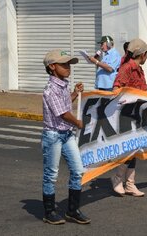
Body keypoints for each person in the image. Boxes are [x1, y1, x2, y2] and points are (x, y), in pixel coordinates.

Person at [42, 49, 90, 225]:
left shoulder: (63, 85)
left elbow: (65, 104)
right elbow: (62, 113)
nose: (68, 67)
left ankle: (72, 210)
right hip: (53, 135)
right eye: (64, 64)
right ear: (52, 67)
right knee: (51, 174)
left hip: (66, 134)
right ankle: (49, 212)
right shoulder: (50, 89)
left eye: (69, 64)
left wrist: (75, 94)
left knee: (78, 171)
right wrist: (78, 123)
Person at [111, 38, 147, 197]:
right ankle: (117, 178)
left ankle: (130, 184)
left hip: (138, 114)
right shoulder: (127, 68)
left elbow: (143, 91)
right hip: (126, 115)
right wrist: (126, 100)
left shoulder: (139, 70)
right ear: (142, 54)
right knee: (128, 148)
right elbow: (116, 89)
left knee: (135, 148)